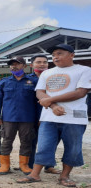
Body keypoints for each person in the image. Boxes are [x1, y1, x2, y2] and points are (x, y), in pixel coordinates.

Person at [17, 44, 91, 187]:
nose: (55, 57)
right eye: (53, 55)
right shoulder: (47, 73)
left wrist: (50, 100)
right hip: (49, 117)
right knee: (44, 146)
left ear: (72, 55)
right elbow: (40, 92)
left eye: (59, 53)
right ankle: (35, 174)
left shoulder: (84, 70)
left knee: (73, 148)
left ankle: (64, 176)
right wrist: (54, 106)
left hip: (74, 118)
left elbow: (80, 92)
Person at [0, 56, 38, 175]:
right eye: (12, 64)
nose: (14, 66)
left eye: (17, 64)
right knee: (6, 141)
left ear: (24, 66)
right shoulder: (4, 82)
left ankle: (24, 165)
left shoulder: (33, 81)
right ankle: (5, 165)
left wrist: (39, 117)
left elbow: (38, 101)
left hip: (27, 118)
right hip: (8, 118)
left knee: (26, 141)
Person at [27, 55, 61, 174]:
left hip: (50, 115)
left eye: (45, 62)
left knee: (51, 141)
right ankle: (30, 166)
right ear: (32, 65)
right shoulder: (27, 80)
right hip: (32, 116)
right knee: (31, 142)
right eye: (38, 62)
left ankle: (49, 166)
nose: (42, 64)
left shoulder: (55, 78)